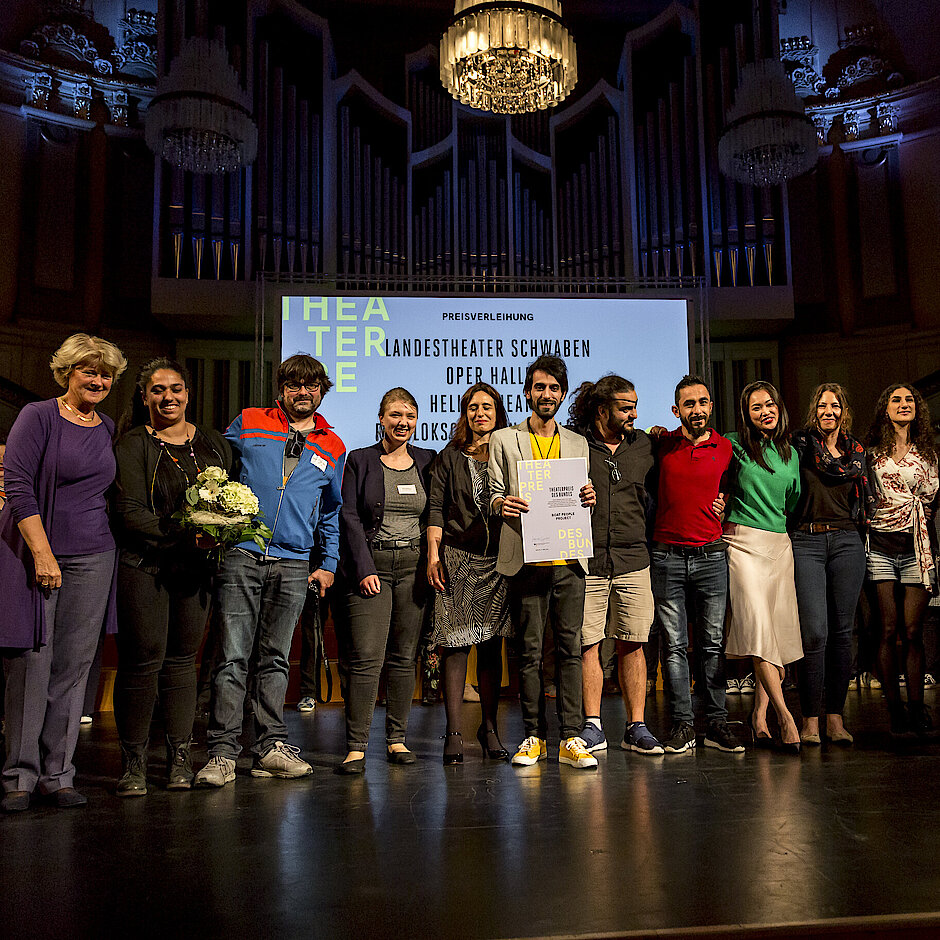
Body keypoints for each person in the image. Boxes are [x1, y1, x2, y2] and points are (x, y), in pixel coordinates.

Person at [194, 354, 345, 786]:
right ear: (282, 389)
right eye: (295, 384)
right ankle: (222, 753)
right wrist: (215, 522)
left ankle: (269, 747)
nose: (304, 392)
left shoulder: (332, 445)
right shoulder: (249, 421)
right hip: (243, 553)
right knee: (232, 655)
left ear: (321, 391)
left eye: (312, 386)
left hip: (295, 562)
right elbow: (214, 473)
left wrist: (328, 563)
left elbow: (331, 512)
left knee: (276, 658)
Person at [0, 333, 127, 812]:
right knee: (32, 662)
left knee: (74, 667)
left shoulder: (106, 425)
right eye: (88, 371)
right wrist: (43, 553)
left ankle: (59, 774)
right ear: (66, 373)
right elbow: (17, 485)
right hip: (38, 553)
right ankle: (19, 776)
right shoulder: (38, 416)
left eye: (106, 374)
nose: (97, 380)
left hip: (95, 555)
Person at [112, 359, 232, 795]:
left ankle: (179, 756)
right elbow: (128, 513)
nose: (169, 397)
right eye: (158, 390)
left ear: (188, 393)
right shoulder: (132, 445)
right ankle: (134, 764)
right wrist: (186, 535)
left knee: (183, 663)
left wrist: (224, 530)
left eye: (176, 389)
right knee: (143, 662)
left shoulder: (214, 444)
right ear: (144, 397)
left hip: (194, 573)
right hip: (145, 568)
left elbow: (230, 504)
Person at [488, 355, 597, 769]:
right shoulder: (505, 439)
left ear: (563, 394)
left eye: (553, 388)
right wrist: (503, 504)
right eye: (538, 387)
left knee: (570, 649)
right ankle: (533, 735)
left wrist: (589, 497)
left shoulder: (577, 442)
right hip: (527, 560)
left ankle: (572, 737)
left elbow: (583, 493)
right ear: (528, 392)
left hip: (569, 560)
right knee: (530, 652)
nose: (546, 394)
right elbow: (492, 494)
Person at [336, 388, 435, 773]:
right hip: (371, 567)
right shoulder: (360, 460)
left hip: (414, 567)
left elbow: (436, 514)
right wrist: (363, 568)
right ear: (381, 418)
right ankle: (357, 747)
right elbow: (349, 516)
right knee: (366, 658)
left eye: (409, 415)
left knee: (403, 656)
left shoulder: (428, 461)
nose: (403, 422)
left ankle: (397, 740)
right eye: (395, 414)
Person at [567, 375, 663, 756]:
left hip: (634, 559)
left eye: (635, 406)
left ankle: (635, 726)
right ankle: (592, 725)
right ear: (602, 410)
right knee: (588, 642)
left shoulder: (644, 445)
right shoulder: (574, 444)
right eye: (626, 407)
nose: (634, 414)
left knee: (633, 641)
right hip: (587, 560)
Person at [651, 375, 744, 754]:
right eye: (689, 404)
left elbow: (740, 489)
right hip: (667, 556)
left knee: (711, 644)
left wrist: (727, 502)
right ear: (677, 411)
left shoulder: (726, 448)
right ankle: (683, 726)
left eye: (703, 402)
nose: (698, 409)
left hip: (711, 556)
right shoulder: (662, 444)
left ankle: (717, 724)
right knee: (673, 646)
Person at [427, 383, 512, 764]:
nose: (480, 413)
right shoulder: (449, 456)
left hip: (500, 561)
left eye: (487, 407)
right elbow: (435, 508)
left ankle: (490, 727)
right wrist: (433, 554)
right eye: (473, 407)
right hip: (457, 557)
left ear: (498, 412)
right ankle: (455, 731)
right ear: (465, 413)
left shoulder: (512, 452)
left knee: (492, 646)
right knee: (457, 644)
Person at [724, 381, 803, 753]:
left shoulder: (790, 452)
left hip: (780, 546)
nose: (764, 412)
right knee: (758, 631)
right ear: (746, 415)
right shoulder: (734, 445)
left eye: (769, 404)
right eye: (756, 408)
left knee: (778, 638)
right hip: (742, 544)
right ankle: (786, 718)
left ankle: (758, 717)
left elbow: (794, 498)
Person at [791, 383, 871, 747]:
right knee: (814, 633)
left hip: (846, 541)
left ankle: (835, 718)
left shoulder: (856, 452)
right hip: (807, 540)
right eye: (822, 405)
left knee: (842, 632)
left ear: (844, 411)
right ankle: (809, 719)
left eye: (835, 405)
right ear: (814, 410)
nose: (829, 411)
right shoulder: (800, 446)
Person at [866, 383, 939, 737]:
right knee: (888, 629)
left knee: (912, 632)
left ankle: (916, 706)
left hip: (915, 548)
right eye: (896, 399)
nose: (904, 404)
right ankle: (893, 708)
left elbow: (931, 499)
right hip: (879, 545)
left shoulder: (926, 453)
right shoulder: (872, 453)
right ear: (885, 408)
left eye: (909, 399)